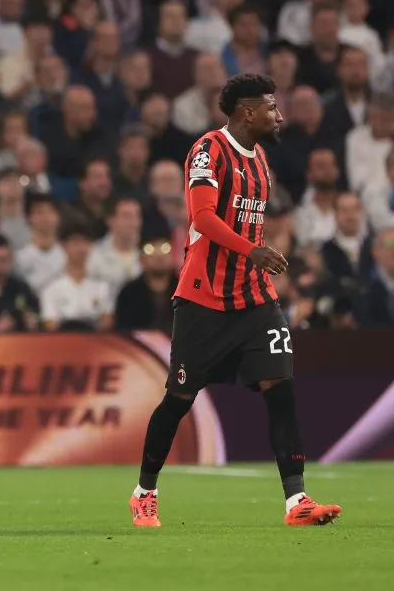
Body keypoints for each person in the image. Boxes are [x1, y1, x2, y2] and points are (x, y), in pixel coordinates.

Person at [129, 73, 341, 528]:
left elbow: (249, 225)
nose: (279, 114)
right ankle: (145, 491)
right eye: (271, 106)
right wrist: (253, 250)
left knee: (280, 389)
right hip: (204, 299)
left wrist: (263, 252)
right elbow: (202, 217)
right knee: (179, 397)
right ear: (247, 111)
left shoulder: (262, 160)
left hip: (255, 298)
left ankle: (296, 500)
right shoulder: (208, 150)